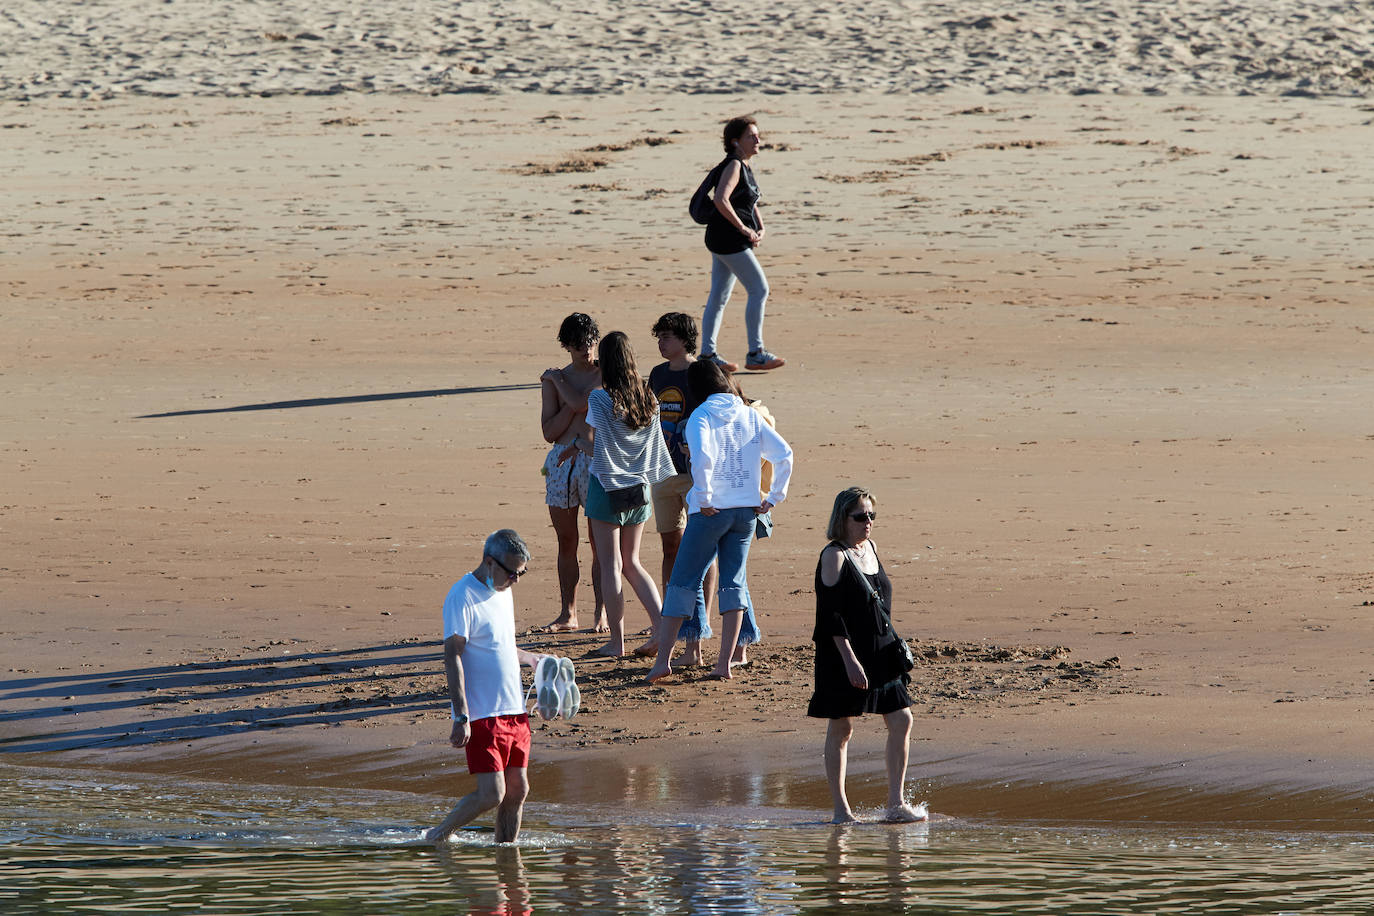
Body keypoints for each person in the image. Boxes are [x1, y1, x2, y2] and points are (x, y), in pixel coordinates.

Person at [645, 358, 793, 683]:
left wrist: (707, 496)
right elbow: (784, 453)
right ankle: (724, 662)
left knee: (682, 581)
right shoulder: (749, 414)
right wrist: (773, 497)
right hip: (746, 510)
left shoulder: (701, 415)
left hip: (711, 511)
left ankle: (663, 662)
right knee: (733, 582)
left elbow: (703, 457)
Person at [807, 487, 926, 824]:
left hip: (881, 651)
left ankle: (895, 803)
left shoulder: (871, 548)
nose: (868, 522)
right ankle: (841, 812)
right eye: (860, 516)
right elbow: (830, 617)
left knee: (902, 719)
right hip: (843, 654)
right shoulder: (834, 556)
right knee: (841, 728)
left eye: (871, 515)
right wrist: (849, 660)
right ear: (842, 519)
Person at [427, 529, 549, 845]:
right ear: (489, 562)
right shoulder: (462, 595)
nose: (516, 580)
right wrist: (461, 715)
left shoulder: (503, 590)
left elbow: (502, 646)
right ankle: (437, 836)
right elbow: (452, 655)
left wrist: (532, 658)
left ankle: (506, 855)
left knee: (518, 789)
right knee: (491, 793)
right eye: (512, 572)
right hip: (483, 714)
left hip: (515, 712)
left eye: (521, 572)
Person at [564, 331, 675, 658]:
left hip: (607, 487)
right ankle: (660, 629)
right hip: (639, 487)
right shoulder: (648, 398)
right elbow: (645, 445)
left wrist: (577, 445)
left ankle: (617, 642)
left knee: (612, 565)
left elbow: (601, 446)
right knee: (633, 563)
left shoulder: (600, 398)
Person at [647, 312, 719, 665]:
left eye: (667, 336)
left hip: (695, 476)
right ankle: (669, 626)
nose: (662, 343)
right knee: (670, 548)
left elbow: (724, 410)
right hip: (662, 472)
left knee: (703, 553)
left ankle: (697, 637)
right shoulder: (658, 375)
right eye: (659, 337)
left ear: (684, 339)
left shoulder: (702, 372)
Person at [699, 115, 785, 374]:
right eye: (751, 136)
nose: (758, 139)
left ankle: (707, 354)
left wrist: (759, 228)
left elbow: (750, 202)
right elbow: (721, 200)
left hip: (725, 238)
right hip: (728, 239)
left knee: (719, 296)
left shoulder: (744, 166)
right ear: (736, 141)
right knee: (759, 289)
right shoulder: (734, 166)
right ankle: (756, 353)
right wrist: (743, 228)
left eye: (757, 135)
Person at [539, 313, 605, 633]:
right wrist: (567, 399)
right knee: (566, 540)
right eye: (579, 345)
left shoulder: (604, 372)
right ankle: (568, 613)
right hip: (562, 462)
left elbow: (585, 400)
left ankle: (601, 613)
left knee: (599, 542)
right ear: (567, 346)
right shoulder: (554, 381)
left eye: (591, 343)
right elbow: (550, 432)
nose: (587, 351)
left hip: (596, 460)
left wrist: (562, 387)